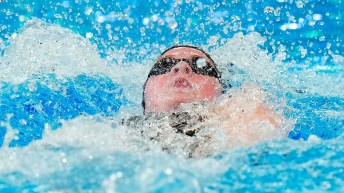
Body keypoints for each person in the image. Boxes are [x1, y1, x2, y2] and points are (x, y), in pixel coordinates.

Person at [134, 45, 290, 158]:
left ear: (221, 91)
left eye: (200, 66)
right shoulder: (118, 132)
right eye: (164, 65)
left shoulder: (239, 123)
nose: (181, 67)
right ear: (145, 91)